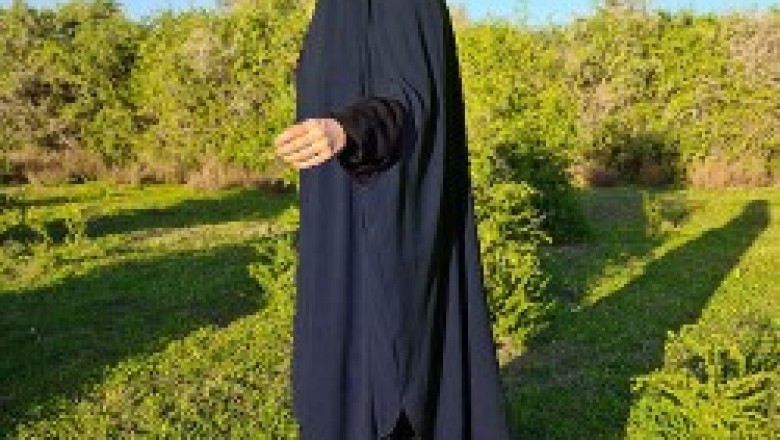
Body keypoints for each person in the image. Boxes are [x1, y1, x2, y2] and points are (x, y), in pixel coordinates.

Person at [273, 0, 512, 439]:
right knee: (341, 364)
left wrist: (348, 129)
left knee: (391, 364)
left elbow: (413, 100)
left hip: (389, 216)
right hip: (337, 216)